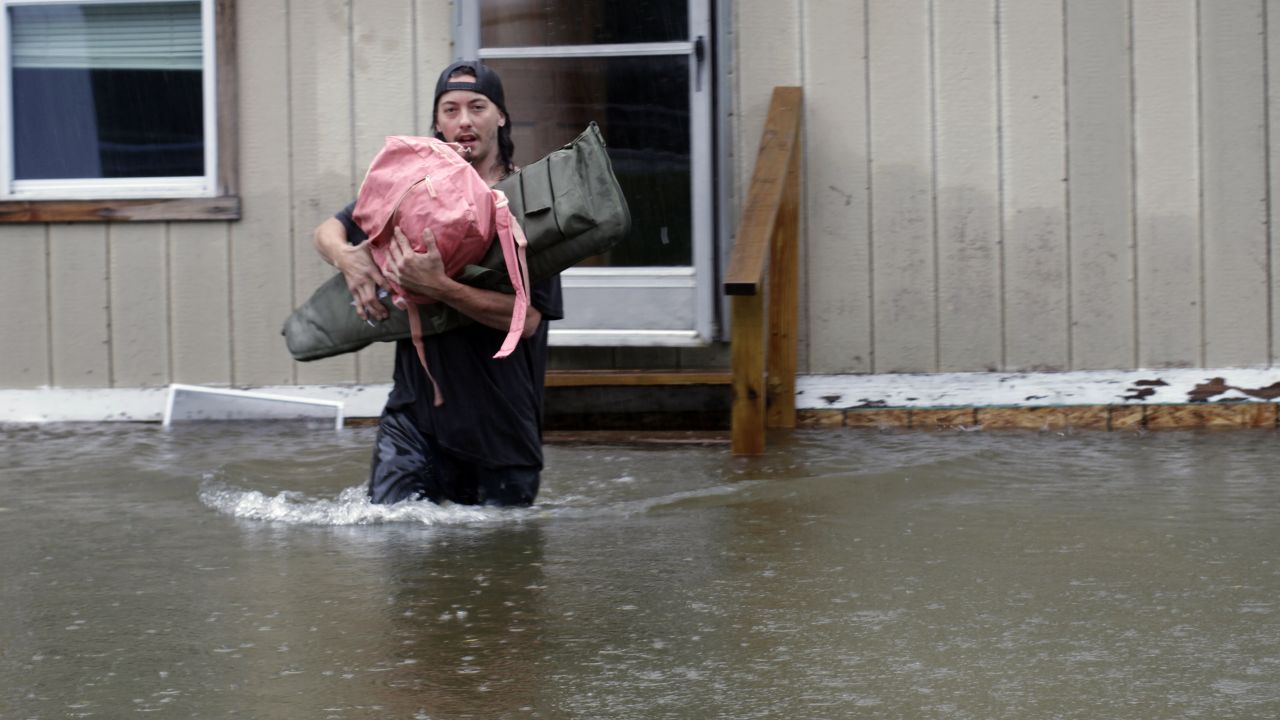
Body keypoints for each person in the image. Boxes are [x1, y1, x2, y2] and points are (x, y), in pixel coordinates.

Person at [312, 61, 563, 507]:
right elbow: (328, 230)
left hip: (499, 431)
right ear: (437, 122)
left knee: (502, 567)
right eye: (450, 109)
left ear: (501, 116)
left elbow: (526, 322)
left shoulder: (530, 206)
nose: (463, 120)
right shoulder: (411, 191)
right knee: (391, 541)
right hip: (414, 420)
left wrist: (441, 286)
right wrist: (348, 260)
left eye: (477, 107)